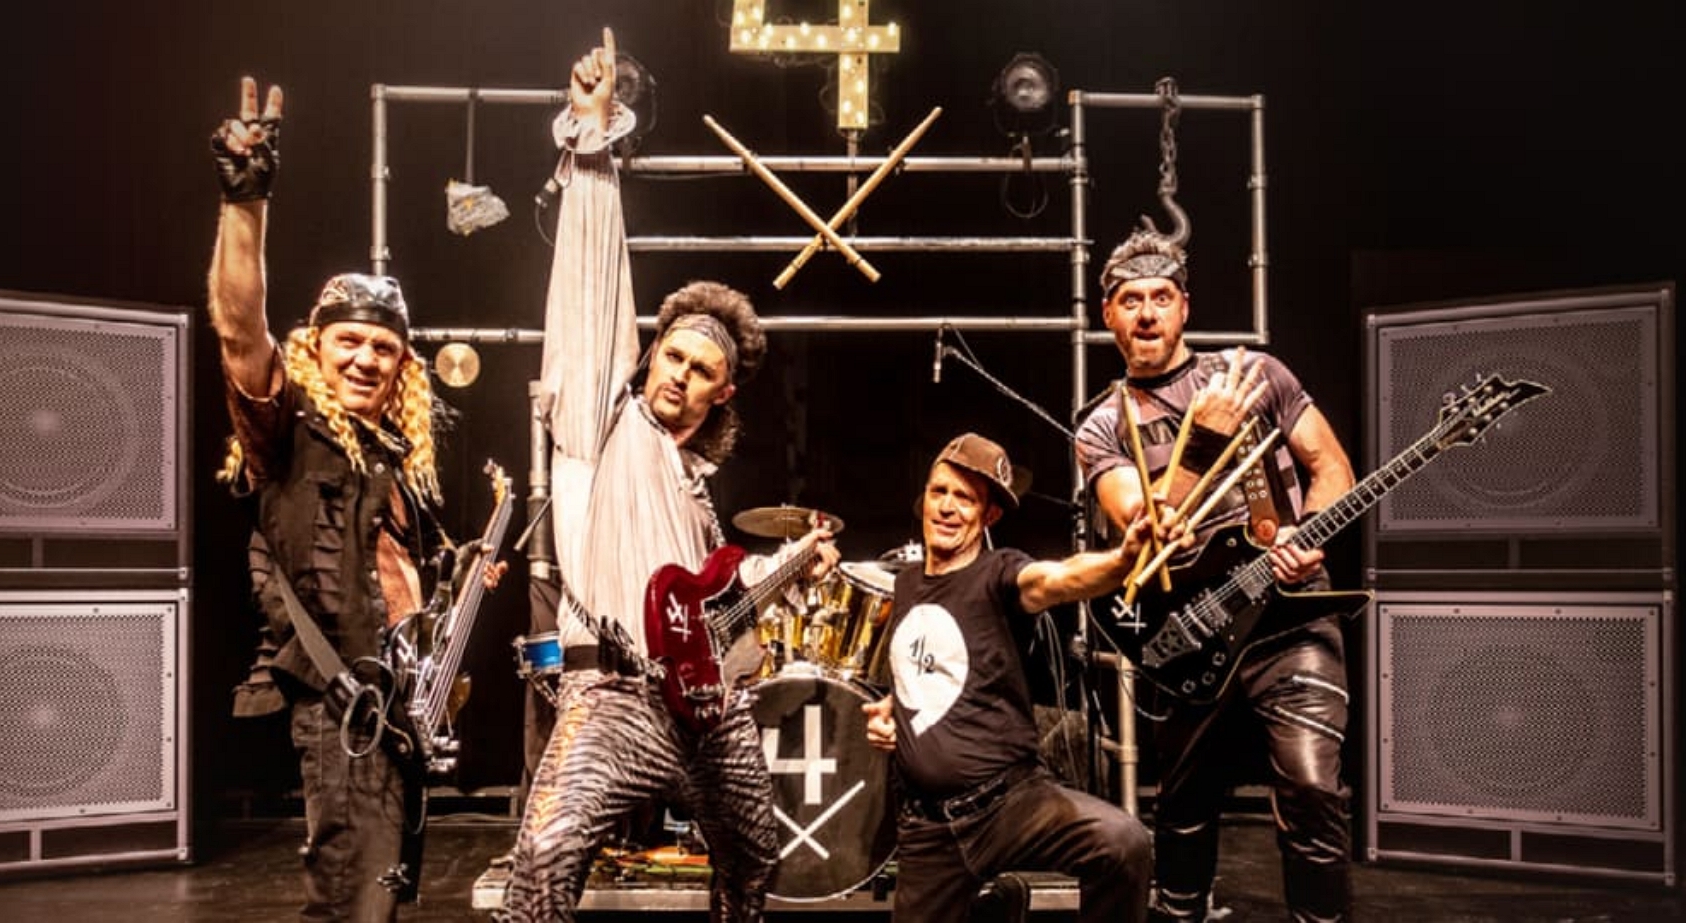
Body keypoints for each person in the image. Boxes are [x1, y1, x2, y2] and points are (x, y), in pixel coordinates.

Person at [498, 29, 839, 922]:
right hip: (613, 699)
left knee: (755, 857)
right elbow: (590, 299)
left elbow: (716, 606)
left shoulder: (696, 493)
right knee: (546, 858)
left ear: (725, 391)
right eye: (671, 355)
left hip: (707, 712)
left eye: (701, 369)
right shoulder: (604, 428)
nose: (678, 375)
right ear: (650, 355)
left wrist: (800, 561)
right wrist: (594, 144)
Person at [207, 76, 507, 921]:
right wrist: (246, 199)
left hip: (399, 705)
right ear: (315, 347)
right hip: (344, 708)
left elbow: (399, 579)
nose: (365, 359)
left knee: (380, 893)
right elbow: (239, 326)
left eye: (383, 348)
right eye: (348, 341)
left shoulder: (398, 462)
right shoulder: (288, 428)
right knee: (351, 900)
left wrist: (458, 581)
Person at [1073, 224, 1358, 922]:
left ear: (1185, 306)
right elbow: (1145, 525)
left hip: (1290, 616)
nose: (1147, 313)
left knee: (1313, 788)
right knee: (1185, 807)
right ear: (1108, 314)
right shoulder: (1102, 425)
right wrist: (1203, 441)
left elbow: (1331, 467)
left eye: (1161, 297)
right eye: (1131, 300)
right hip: (1195, 634)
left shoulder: (1253, 373)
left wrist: (1307, 532)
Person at [860, 432, 1161, 923]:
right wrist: (892, 711)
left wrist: (1123, 560)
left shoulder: (999, 573)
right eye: (940, 492)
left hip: (1010, 805)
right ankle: (1000, 904)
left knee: (1123, 843)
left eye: (965, 498)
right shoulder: (907, 584)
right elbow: (928, 667)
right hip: (929, 831)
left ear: (990, 516)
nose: (948, 507)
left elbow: (1059, 578)